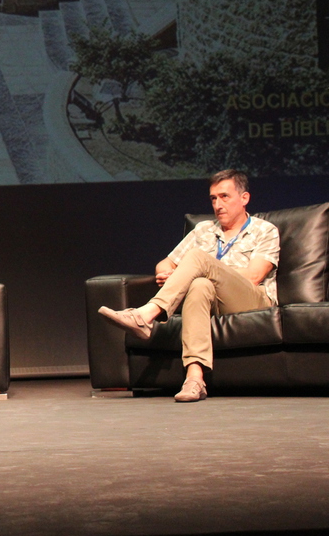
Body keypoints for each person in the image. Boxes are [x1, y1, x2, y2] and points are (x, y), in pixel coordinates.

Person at [99, 169, 279, 402]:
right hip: (213, 300)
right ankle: (194, 379)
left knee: (199, 261)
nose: (218, 205)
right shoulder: (204, 230)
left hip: (253, 300)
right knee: (199, 285)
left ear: (244, 198)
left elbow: (254, 276)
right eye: (213, 198)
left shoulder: (265, 230)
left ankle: (146, 314)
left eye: (224, 197)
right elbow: (165, 263)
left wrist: (207, 268)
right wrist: (169, 274)